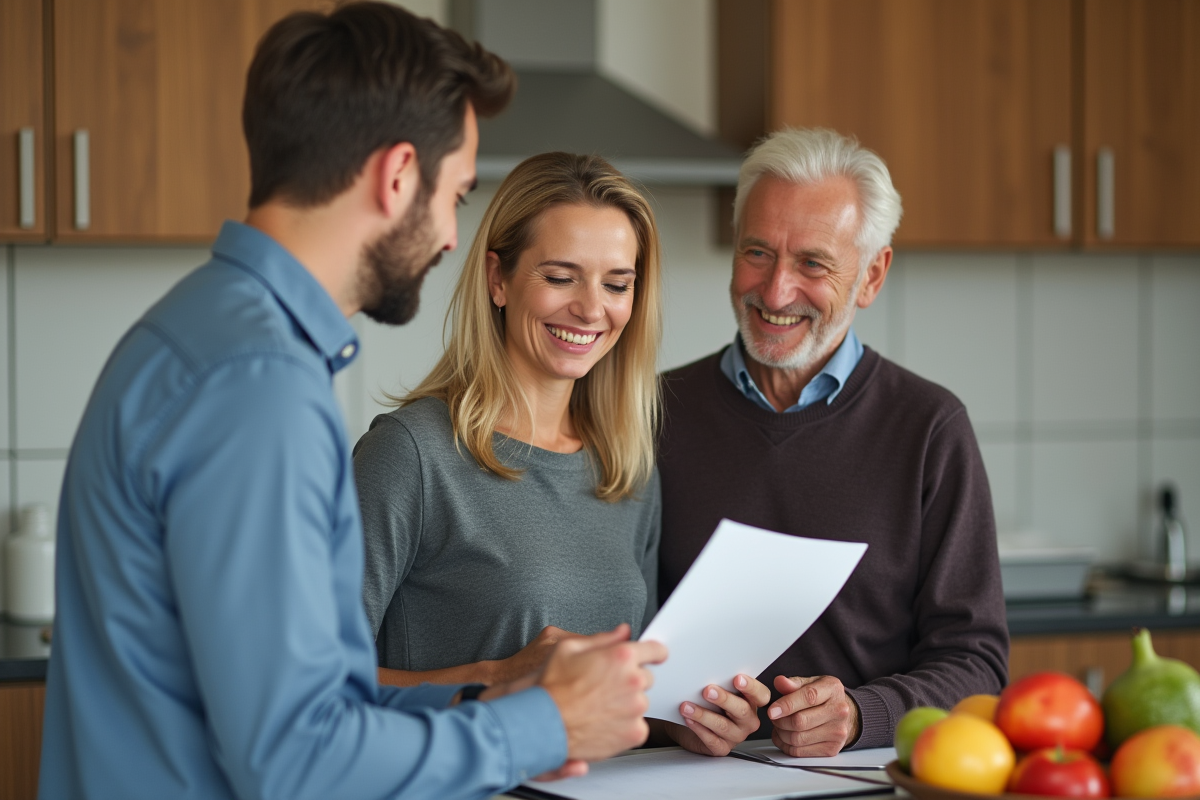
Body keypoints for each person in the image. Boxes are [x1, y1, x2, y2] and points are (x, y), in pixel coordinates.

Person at [39, 5, 668, 799]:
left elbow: (298, 701)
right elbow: (295, 759)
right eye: (456, 193)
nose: (448, 236)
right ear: (398, 174)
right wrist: (542, 727)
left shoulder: (207, 331)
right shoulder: (255, 385)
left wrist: (496, 692)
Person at [353, 150, 769, 757]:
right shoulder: (411, 454)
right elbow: (311, 686)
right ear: (498, 279)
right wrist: (498, 677)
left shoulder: (627, 468)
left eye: (617, 284)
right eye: (559, 276)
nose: (591, 308)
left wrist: (685, 720)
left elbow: (630, 696)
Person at [656, 127, 1009, 756]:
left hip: (860, 779)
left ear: (872, 276)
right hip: (677, 780)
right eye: (757, 252)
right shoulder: (653, 414)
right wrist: (669, 716)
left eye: (812, 263)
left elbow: (976, 663)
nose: (775, 291)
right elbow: (611, 633)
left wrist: (858, 713)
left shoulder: (930, 428)